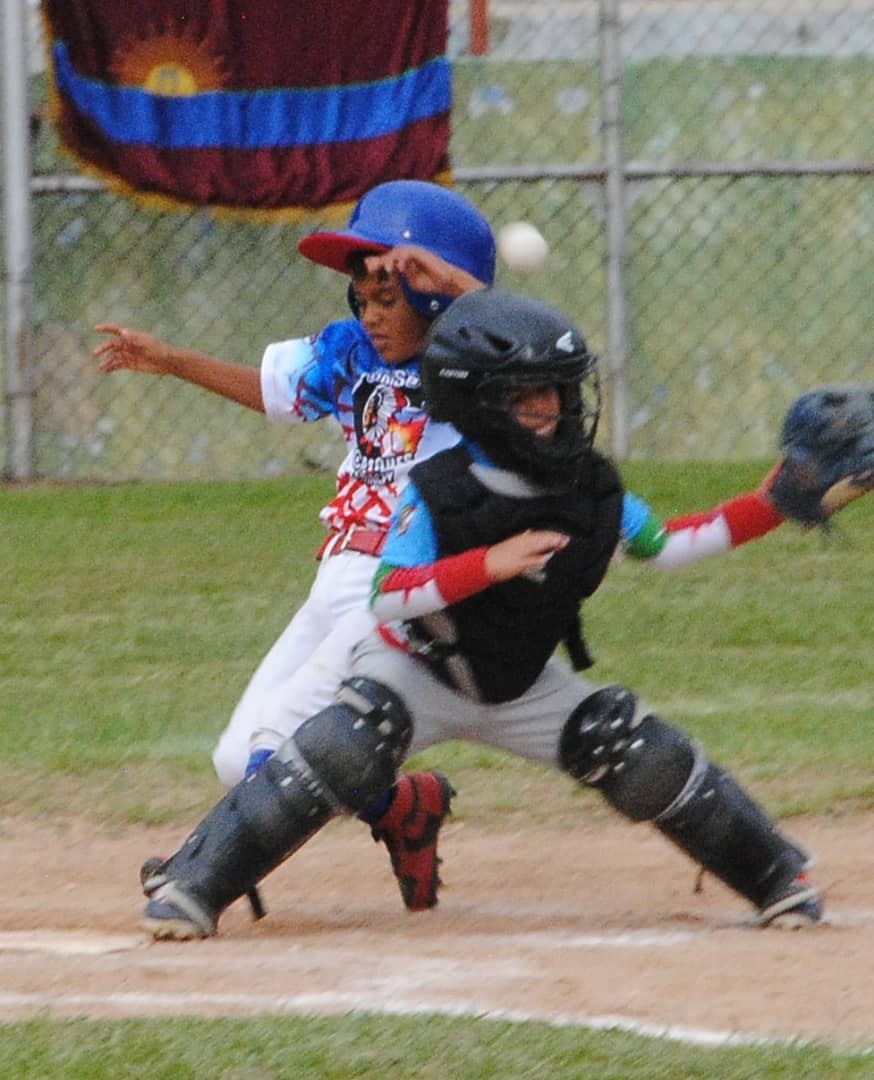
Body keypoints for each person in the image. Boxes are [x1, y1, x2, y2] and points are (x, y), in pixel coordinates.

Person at [138, 288, 827, 941]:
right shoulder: (440, 489)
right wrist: (486, 565)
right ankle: (195, 885)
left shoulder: (585, 485)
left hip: (520, 679)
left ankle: (774, 875)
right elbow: (389, 593)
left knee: (632, 743)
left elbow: (668, 544)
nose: (551, 407)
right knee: (348, 742)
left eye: (556, 390)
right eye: (528, 394)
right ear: (480, 405)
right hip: (415, 667)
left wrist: (772, 504)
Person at [93, 180, 496, 914]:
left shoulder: (471, 367)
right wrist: (172, 359)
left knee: (279, 740)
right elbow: (279, 393)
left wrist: (453, 288)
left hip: (401, 580)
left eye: (392, 297)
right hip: (337, 574)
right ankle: (403, 808)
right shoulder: (352, 353)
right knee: (233, 756)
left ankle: (209, 863)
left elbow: (506, 335)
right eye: (364, 297)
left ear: (437, 296)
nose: (372, 315)